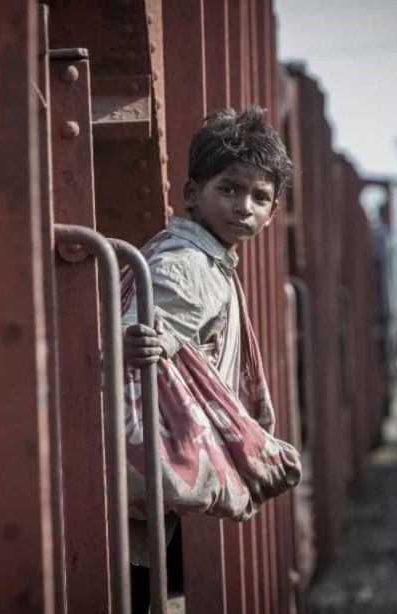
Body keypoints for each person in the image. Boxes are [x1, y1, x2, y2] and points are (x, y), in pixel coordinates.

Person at [120, 106, 300, 611]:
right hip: (146, 455)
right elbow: (151, 328)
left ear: (272, 211)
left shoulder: (198, 254)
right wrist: (136, 341)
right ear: (192, 193)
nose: (243, 206)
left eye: (259, 197)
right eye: (229, 189)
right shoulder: (189, 265)